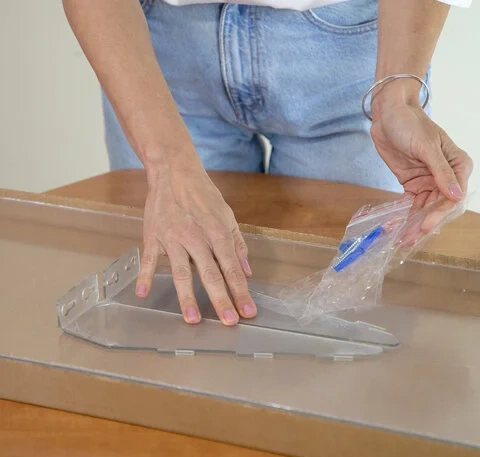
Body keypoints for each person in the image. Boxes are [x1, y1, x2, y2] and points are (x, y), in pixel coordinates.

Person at [63, 0, 473, 326]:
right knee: (179, 311)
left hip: (349, 52)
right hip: (159, 51)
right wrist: (167, 165)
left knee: (348, 321)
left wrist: (398, 97)